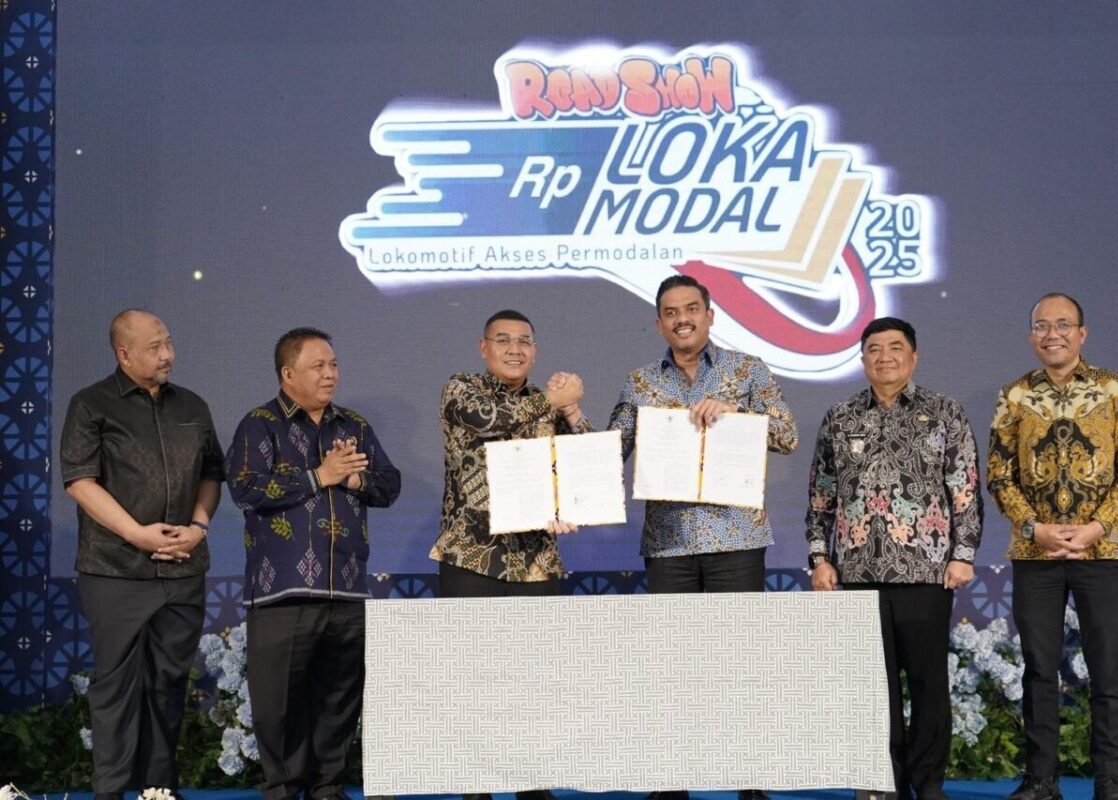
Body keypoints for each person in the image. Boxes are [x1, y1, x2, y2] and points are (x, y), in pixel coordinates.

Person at [608, 274, 797, 800]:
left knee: (741, 666)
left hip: (736, 538)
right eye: (671, 312)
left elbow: (787, 434)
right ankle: (672, 781)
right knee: (672, 668)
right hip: (669, 543)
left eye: (691, 308)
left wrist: (740, 415)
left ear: (710, 316)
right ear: (659, 323)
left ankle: (750, 781)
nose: (682, 319)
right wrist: (573, 415)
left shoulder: (746, 370)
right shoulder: (641, 382)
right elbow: (610, 450)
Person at [806, 317, 982, 800]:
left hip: (927, 571)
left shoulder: (943, 412)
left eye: (895, 347)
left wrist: (963, 555)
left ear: (914, 356)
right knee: (870, 687)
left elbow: (965, 491)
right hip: (857, 573)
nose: (885, 357)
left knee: (928, 683)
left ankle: (928, 783)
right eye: (874, 349)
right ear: (862, 358)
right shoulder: (840, 417)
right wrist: (819, 557)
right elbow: (821, 497)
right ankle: (880, 783)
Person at [226, 327, 401, 800]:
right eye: (318, 366)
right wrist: (319, 476)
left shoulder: (353, 426)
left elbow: (389, 484)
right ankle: (284, 790)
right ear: (288, 374)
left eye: (333, 365)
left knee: (339, 698)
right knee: (278, 704)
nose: (330, 374)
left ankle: (327, 788)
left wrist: (354, 480)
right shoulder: (260, 424)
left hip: (347, 587)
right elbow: (245, 488)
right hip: (283, 592)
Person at [988, 294, 1118, 800]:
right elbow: (999, 474)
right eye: (1042, 325)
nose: (1052, 334)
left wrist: (1097, 526)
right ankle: (1041, 781)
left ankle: (1110, 780)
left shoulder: (1115, 389)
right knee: (1039, 670)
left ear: (1083, 333)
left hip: (1102, 550)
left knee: (1106, 669)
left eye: (1063, 325)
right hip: (1035, 553)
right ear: (1031, 335)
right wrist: (1033, 527)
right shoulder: (1014, 394)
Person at [60, 309, 224, 800]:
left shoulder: (192, 405)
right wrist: (138, 535)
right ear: (124, 354)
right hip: (115, 570)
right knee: (116, 687)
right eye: (155, 347)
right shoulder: (91, 404)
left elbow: (212, 473)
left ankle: (159, 790)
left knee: (170, 684)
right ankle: (110, 792)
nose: (167, 355)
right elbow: (80, 482)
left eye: (168, 343)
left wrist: (198, 528)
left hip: (182, 568)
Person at [429, 308, 587, 800]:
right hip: (472, 558)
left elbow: (584, 466)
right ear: (484, 348)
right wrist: (553, 400)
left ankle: (531, 784)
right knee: (474, 680)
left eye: (524, 341)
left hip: (537, 562)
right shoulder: (462, 390)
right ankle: (476, 788)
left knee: (534, 684)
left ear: (534, 350)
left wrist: (573, 413)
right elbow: (491, 419)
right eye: (503, 340)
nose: (515, 349)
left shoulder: (550, 404)